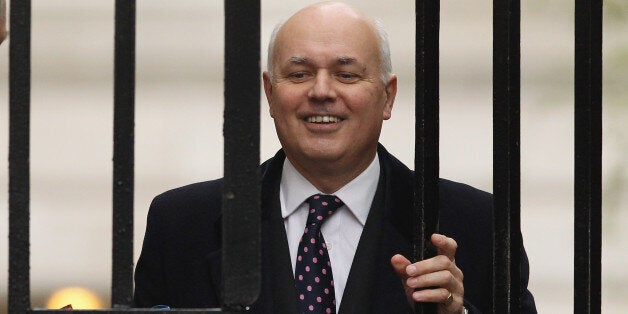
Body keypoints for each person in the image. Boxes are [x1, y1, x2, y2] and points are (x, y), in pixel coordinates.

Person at [133, 2, 537, 313]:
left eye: (346, 74)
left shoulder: (477, 224)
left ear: (388, 96)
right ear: (270, 94)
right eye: (299, 74)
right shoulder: (183, 223)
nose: (322, 91)